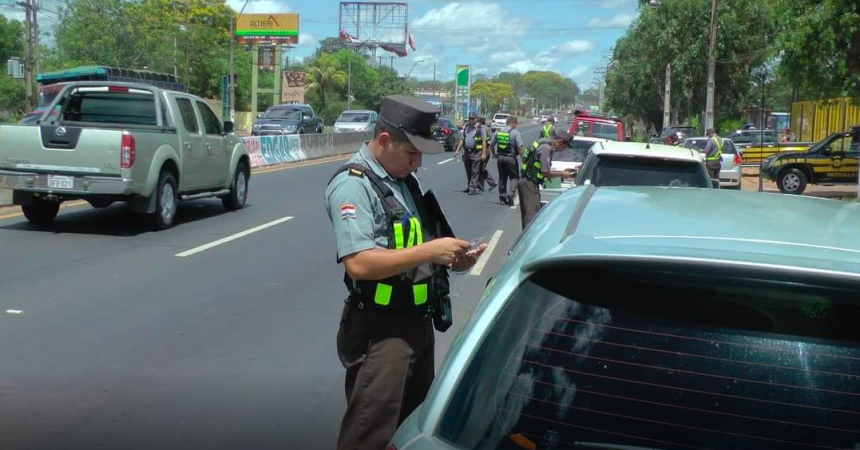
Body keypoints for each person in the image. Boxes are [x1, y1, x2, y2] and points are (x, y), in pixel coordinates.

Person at [325, 95, 487, 450]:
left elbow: (412, 245)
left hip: (417, 323)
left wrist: (451, 258)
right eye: (411, 153)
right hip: (381, 333)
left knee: (411, 431)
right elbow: (359, 262)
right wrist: (430, 251)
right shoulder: (354, 185)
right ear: (384, 142)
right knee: (370, 435)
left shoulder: (403, 181)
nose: (417, 163)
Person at [518, 131, 574, 230]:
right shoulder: (546, 148)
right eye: (565, 146)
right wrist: (562, 174)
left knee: (530, 217)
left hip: (529, 182)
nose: (564, 149)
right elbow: (545, 173)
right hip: (529, 184)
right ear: (560, 142)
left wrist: (562, 173)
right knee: (531, 219)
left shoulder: (542, 142)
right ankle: (527, 243)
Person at [491, 116, 525, 206]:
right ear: (513, 123)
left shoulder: (498, 132)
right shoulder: (515, 133)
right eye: (516, 124)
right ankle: (511, 194)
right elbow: (520, 147)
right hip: (510, 158)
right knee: (514, 177)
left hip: (500, 157)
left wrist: (494, 154)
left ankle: (502, 197)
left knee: (502, 177)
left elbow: (491, 144)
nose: (516, 126)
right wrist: (523, 159)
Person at [455, 114, 486, 194]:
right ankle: (469, 186)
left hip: (476, 152)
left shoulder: (480, 128)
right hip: (466, 152)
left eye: (472, 118)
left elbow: (484, 141)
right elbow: (462, 139)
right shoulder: (466, 127)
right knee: (468, 170)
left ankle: (472, 188)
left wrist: (483, 153)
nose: (470, 120)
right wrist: (457, 150)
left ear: (476, 119)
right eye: (469, 118)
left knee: (475, 171)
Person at [476, 116, 497, 192]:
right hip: (485, 150)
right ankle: (481, 185)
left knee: (480, 168)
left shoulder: (482, 129)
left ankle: (491, 183)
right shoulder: (487, 128)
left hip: (484, 150)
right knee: (480, 168)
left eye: (477, 121)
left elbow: (484, 140)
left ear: (480, 122)